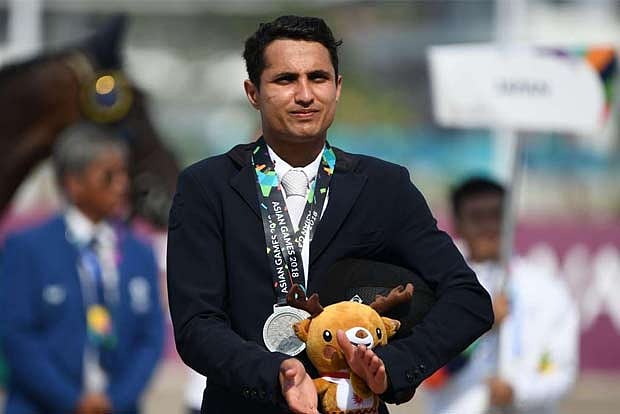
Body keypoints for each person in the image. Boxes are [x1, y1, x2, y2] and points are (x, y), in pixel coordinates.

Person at [167, 15, 493, 414]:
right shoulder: (207, 187)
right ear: (253, 92)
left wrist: (391, 367)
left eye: (318, 78)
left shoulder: (383, 186)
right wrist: (276, 373)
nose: (305, 94)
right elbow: (196, 325)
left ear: (337, 88)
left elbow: (469, 300)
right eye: (285, 79)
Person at [0, 123, 164, 414]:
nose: (122, 185)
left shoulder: (139, 252)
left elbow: (151, 336)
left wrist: (115, 400)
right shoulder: (27, 248)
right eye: (108, 176)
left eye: (124, 174)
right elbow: (16, 335)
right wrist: (73, 401)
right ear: (74, 183)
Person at [424, 177, 579, 414]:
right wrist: (479, 325)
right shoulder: (436, 286)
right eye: (477, 217)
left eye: (497, 215)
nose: (488, 226)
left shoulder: (547, 289)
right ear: (458, 223)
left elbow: (562, 373)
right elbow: (430, 375)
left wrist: (518, 392)